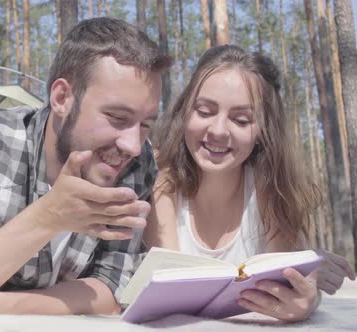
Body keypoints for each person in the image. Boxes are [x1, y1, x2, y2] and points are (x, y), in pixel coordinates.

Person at [0, 17, 170, 320]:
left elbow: (112, 290)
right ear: (62, 97)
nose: (132, 144)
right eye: (117, 117)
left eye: (145, 125)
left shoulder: (137, 165)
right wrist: (47, 217)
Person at [144, 45, 355, 322]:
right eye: (205, 111)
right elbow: (169, 293)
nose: (218, 131)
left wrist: (307, 300)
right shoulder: (161, 179)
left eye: (241, 120)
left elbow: (292, 285)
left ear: (263, 131)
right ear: (185, 112)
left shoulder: (270, 189)